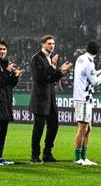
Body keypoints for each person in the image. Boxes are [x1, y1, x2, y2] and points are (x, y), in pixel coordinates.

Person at [29, 35, 72, 163]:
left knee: (54, 126)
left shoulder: (49, 58)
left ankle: (47, 153)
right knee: (39, 128)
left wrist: (60, 71)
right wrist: (53, 67)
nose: (51, 46)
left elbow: (51, 79)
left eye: (53, 43)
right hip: (40, 99)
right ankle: (35, 155)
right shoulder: (37, 58)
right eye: (49, 43)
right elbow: (41, 78)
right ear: (43, 44)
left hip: (51, 98)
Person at [72, 41, 101, 166]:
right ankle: (78, 158)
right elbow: (95, 82)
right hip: (83, 98)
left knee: (88, 128)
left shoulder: (82, 58)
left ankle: (83, 157)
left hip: (84, 98)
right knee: (82, 129)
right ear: (97, 51)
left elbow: (90, 74)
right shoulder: (89, 63)